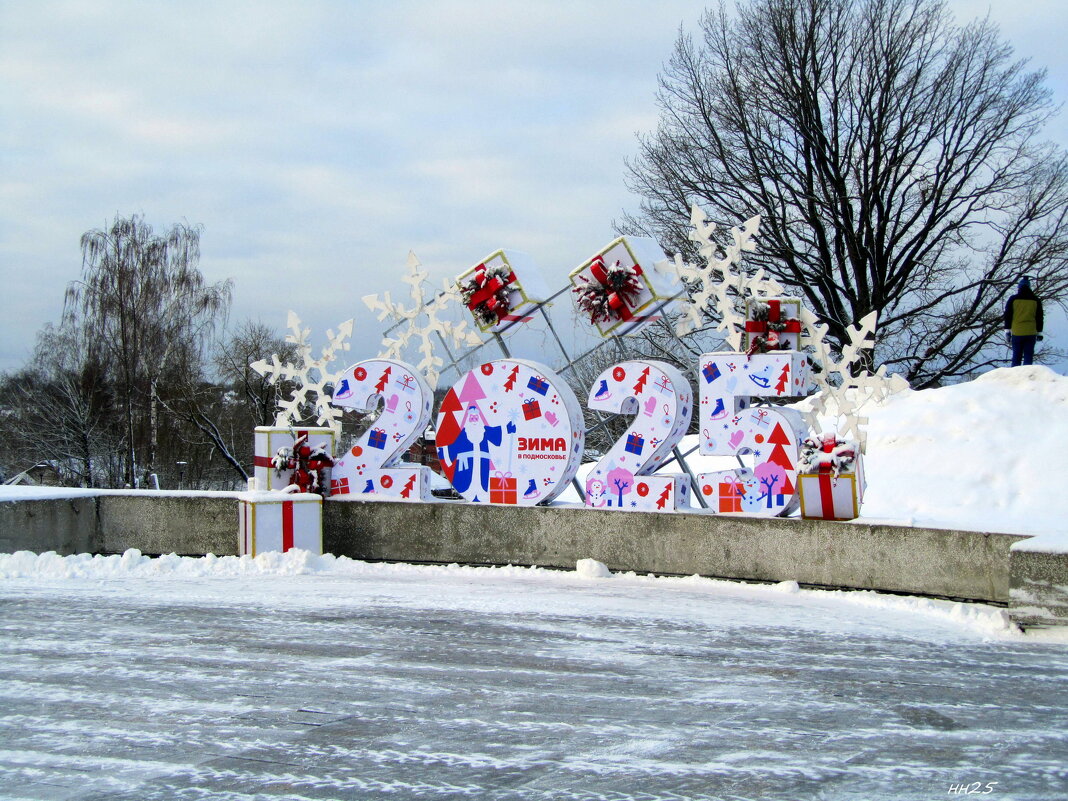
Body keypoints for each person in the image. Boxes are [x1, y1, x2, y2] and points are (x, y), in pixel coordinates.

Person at [1004, 277, 1044, 366]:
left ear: (1019, 287)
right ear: (1029, 287)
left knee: (1016, 356)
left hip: (1017, 332)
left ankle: (1015, 377)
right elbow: (1039, 317)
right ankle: (1027, 377)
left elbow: (1008, 315)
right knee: (1028, 357)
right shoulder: (1036, 300)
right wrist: (1039, 332)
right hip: (1031, 332)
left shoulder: (1013, 299)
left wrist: (1007, 331)